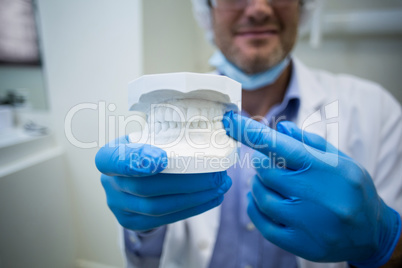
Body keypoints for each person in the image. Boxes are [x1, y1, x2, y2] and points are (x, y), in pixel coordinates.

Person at [95, 0, 402, 267]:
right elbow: (149, 260)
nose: (258, 8)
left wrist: (381, 241)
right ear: (208, 8)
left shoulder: (376, 110)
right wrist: (142, 224)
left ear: (302, 5)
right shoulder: (165, 112)